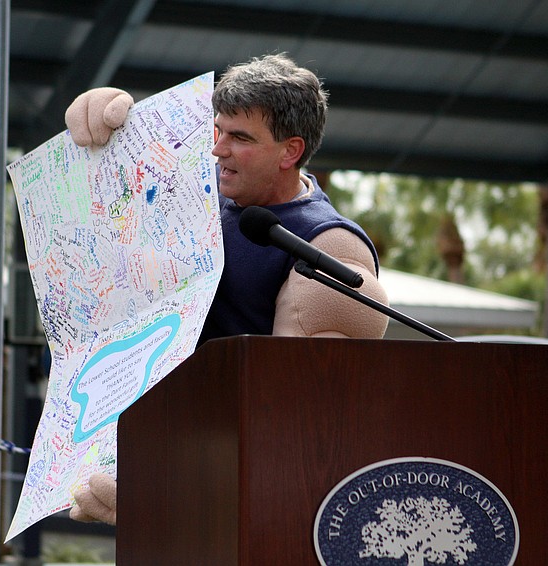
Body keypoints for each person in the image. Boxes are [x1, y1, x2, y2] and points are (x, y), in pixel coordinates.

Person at [63, 54, 389, 524]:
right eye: (218, 131)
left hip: (237, 506)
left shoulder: (323, 243)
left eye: (240, 138)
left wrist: (165, 493)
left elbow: (299, 424)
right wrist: (113, 136)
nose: (218, 149)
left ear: (290, 151)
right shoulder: (189, 191)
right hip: (143, 458)